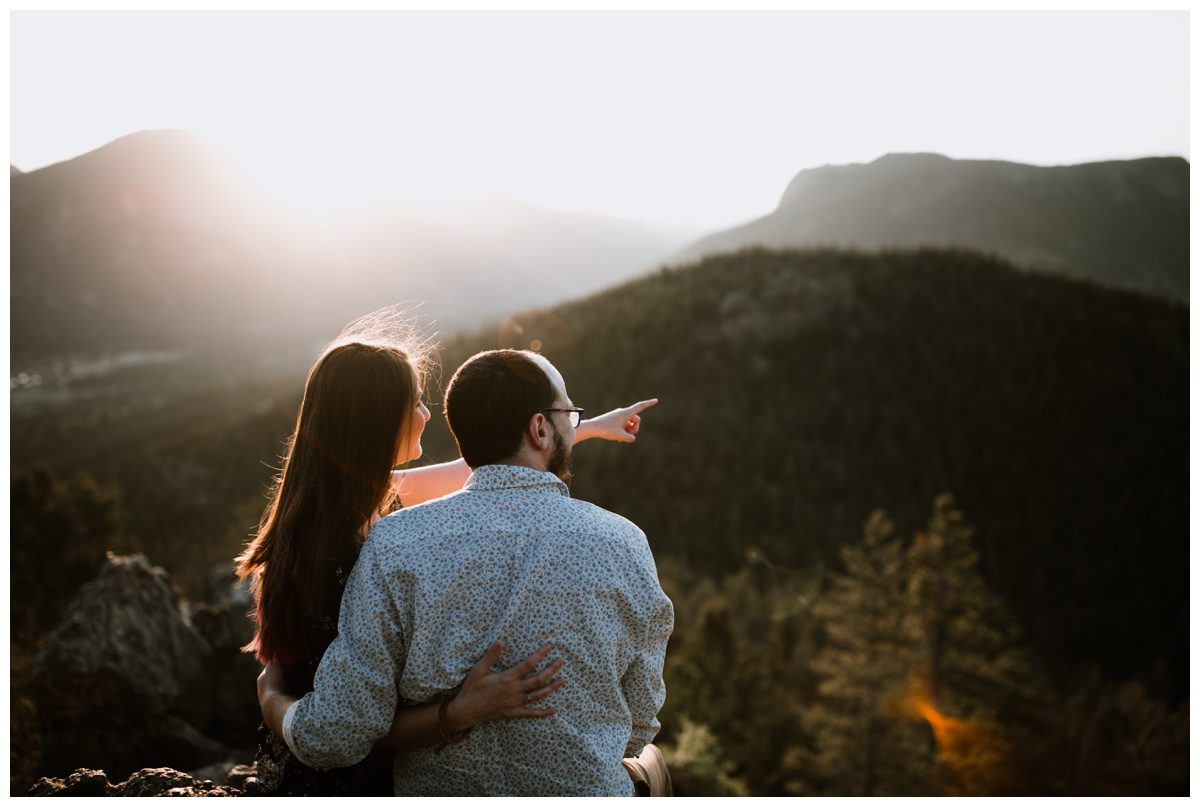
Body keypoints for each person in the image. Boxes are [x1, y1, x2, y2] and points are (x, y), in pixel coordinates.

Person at [237, 322, 658, 796]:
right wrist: (271, 697)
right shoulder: (352, 551)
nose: (426, 413)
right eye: (415, 402)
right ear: (376, 421)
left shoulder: (373, 514)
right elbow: (352, 727)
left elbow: (487, 465)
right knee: (649, 768)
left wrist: (580, 427)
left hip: (390, 763)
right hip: (344, 778)